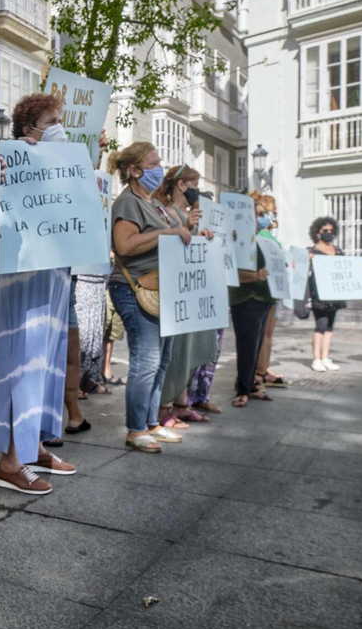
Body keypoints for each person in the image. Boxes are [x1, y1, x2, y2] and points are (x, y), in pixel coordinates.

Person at [0, 93, 79, 492]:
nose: (60, 127)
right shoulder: (12, 157)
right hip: (19, 277)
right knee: (19, 361)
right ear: (29, 130)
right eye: (52, 120)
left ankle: (33, 444)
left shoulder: (64, 167)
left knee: (48, 360)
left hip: (53, 273)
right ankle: (10, 461)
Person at [108, 142, 190, 453]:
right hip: (134, 288)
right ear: (134, 170)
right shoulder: (128, 202)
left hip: (161, 289)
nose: (159, 168)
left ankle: (152, 422)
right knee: (146, 361)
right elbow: (125, 246)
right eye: (153, 163)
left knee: (161, 360)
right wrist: (165, 234)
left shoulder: (153, 203)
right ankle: (136, 429)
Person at [155, 166, 216, 427]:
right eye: (194, 184)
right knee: (176, 351)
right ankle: (164, 406)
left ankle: (181, 403)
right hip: (174, 292)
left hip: (189, 293)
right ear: (181, 185)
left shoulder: (187, 214)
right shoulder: (167, 212)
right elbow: (169, 245)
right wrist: (187, 227)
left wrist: (201, 235)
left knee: (189, 349)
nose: (196, 191)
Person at [227, 202, 276, 406]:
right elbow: (231, 269)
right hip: (246, 298)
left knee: (256, 345)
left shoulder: (263, 239)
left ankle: (252, 383)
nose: (261, 218)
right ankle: (243, 389)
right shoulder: (236, 237)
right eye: (257, 214)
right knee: (247, 345)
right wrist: (254, 276)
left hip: (264, 297)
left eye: (262, 214)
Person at [251, 192, 289, 390]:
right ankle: (259, 370)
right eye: (268, 212)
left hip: (274, 289)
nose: (272, 216)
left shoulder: (268, 236)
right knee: (264, 332)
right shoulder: (259, 236)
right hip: (266, 288)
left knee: (268, 333)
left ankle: (264, 369)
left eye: (273, 212)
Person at [306, 216, 345, 372]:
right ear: (317, 232)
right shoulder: (311, 251)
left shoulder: (338, 251)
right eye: (325, 231)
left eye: (331, 230)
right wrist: (307, 260)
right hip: (319, 294)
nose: (329, 233)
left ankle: (325, 357)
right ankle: (316, 358)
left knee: (329, 326)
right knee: (320, 324)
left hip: (334, 294)